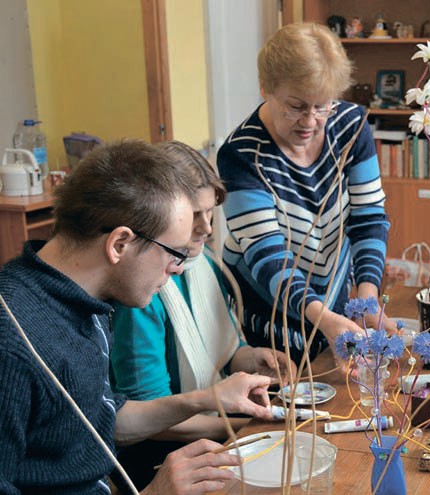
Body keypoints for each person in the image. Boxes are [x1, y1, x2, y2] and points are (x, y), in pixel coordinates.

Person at [0, 140, 274, 494]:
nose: (178, 269)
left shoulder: (85, 300)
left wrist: (208, 399)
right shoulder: (12, 343)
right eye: (174, 253)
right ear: (119, 244)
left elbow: (103, 420)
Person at [109, 141, 296, 489]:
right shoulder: (141, 292)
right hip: (162, 457)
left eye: (211, 212)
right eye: (195, 215)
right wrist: (247, 425)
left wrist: (252, 358)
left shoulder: (204, 263)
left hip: (211, 426)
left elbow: (226, 350)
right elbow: (151, 417)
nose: (207, 228)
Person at [217, 22, 391, 367]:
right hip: (269, 316)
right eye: (296, 106)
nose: (310, 121)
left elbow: (368, 218)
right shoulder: (241, 156)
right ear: (265, 87)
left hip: (333, 302)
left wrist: (366, 302)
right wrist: (322, 317)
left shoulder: (351, 126)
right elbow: (269, 257)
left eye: (323, 105)